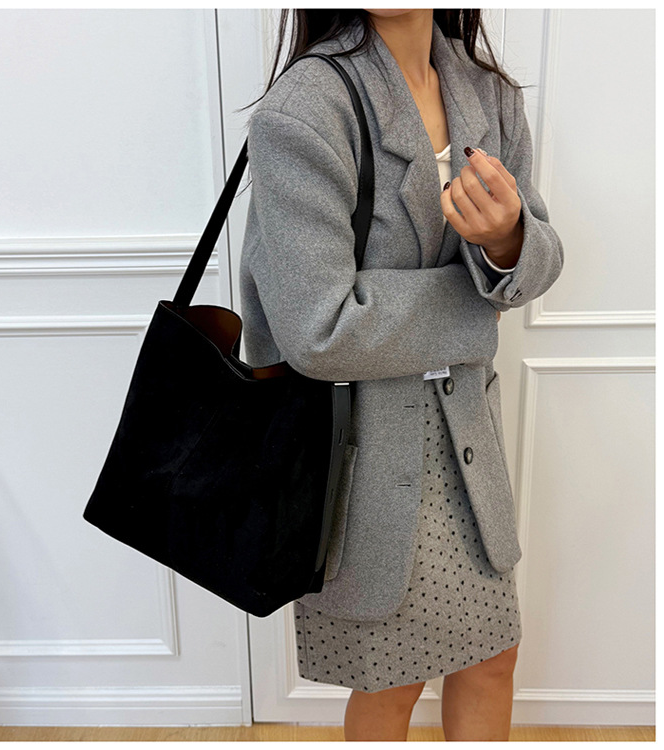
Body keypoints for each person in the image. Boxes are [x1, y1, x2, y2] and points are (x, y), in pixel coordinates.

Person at [238, 8, 563, 741]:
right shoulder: (305, 108)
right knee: (392, 680)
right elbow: (317, 328)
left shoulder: (489, 94)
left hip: (467, 444)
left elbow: (537, 257)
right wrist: (479, 304)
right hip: (362, 453)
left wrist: (508, 240)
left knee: (492, 660)